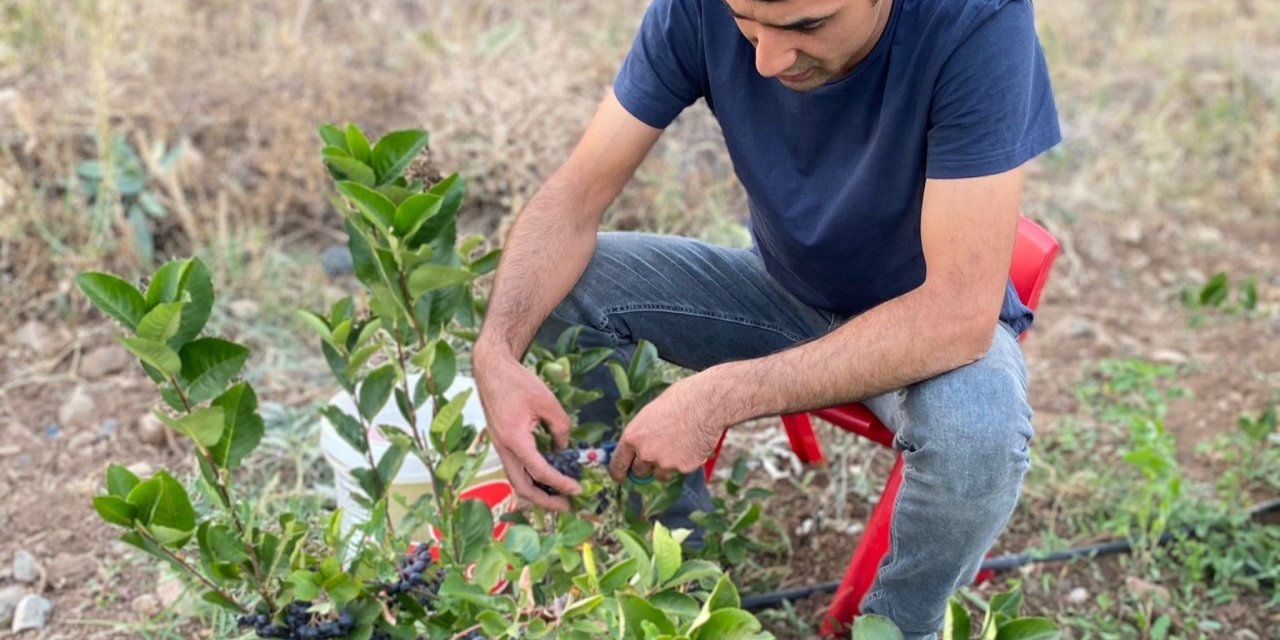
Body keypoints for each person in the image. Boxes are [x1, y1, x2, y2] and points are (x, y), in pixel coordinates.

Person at [473, 0, 1060, 635]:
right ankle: (682, 583)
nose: (766, 60)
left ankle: (896, 626)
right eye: (744, 21)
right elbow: (574, 197)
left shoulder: (975, 19)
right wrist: (496, 353)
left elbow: (957, 314)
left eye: (807, 26)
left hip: (921, 323)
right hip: (782, 292)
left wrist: (718, 396)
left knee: (978, 438)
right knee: (567, 290)